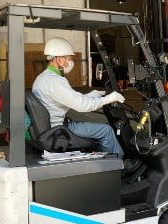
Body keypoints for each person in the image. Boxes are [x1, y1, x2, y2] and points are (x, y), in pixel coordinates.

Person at [32, 37, 139, 170]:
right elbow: (82, 106)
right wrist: (109, 99)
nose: (71, 63)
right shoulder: (55, 81)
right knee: (106, 131)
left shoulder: (43, 78)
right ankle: (120, 166)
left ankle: (106, 159)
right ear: (59, 59)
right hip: (59, 129)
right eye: (70, 59)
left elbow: (68, 99)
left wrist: (91, 95)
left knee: (98, 128)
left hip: (52, 126)